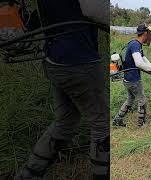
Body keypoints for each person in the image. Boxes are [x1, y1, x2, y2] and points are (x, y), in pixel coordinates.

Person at [15, 0, 109, 179]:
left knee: (66, 121)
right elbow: (94, 10)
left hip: (55, 59)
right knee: (101, 122)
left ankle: (29, 173)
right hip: (78, 62)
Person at [112, 23, 151, 127]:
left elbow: (145, 61)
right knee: (142, 100)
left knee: (130, 99)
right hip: (133, 80)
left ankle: (117, 120)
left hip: (128, 79)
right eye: (148, 33)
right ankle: (141, 124)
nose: (149, 36)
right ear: (144, 33)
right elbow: (139, 63)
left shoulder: (135, 44)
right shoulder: (135, 45)